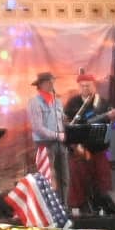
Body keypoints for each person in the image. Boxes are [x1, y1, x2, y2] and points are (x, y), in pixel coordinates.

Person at [64, 74, 115, 215]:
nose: (85, 88)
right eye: (82, 85)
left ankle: (103, 205)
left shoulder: (102, 103)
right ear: (79, 87)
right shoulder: (73, 103)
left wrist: (113, 119)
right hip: (79, 148)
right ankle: (78, 206)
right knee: (79, 177)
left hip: (98, 147)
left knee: (102, 176)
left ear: (93, 85)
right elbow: (66, 122)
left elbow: (111, 123)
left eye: (88, 85)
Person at [28, 71, 69, 207]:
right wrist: (57, 135)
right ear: (41, 85)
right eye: (49, 82)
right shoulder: (35, 102)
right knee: (48, 176)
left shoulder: (57, 102)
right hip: (44, 144)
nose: (52, 84)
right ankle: (49, 208)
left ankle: (64, 206)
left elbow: (62, 121)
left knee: (64, 176)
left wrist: (66, 125)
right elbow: (38, 127)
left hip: (60, 143)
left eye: (53, 81)